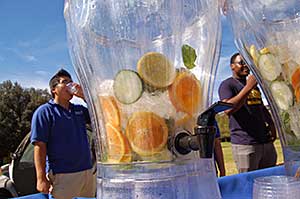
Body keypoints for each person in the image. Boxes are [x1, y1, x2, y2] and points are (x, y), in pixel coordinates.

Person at [30, 69, 96, 199]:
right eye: (64, 82)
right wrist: (41, 178)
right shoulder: (45, 112)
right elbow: (39, 146)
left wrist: (84, 96)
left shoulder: (79, 110)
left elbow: (100, 115)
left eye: (70, 82)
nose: (70, 85)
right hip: (63, 176)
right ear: (54, 90)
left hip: (88, 173)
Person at [218, 53, 277, 173]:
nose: (246, 65)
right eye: (241, 63)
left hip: (265, 142)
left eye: (247, 63)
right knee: (249, 184)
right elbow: (228, 110)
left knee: (270, 181)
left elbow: (261, 107)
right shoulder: (227, 85)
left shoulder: (254, 86)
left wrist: (271, 124)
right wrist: (248, 87)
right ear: (232, 66)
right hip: (245, 145)